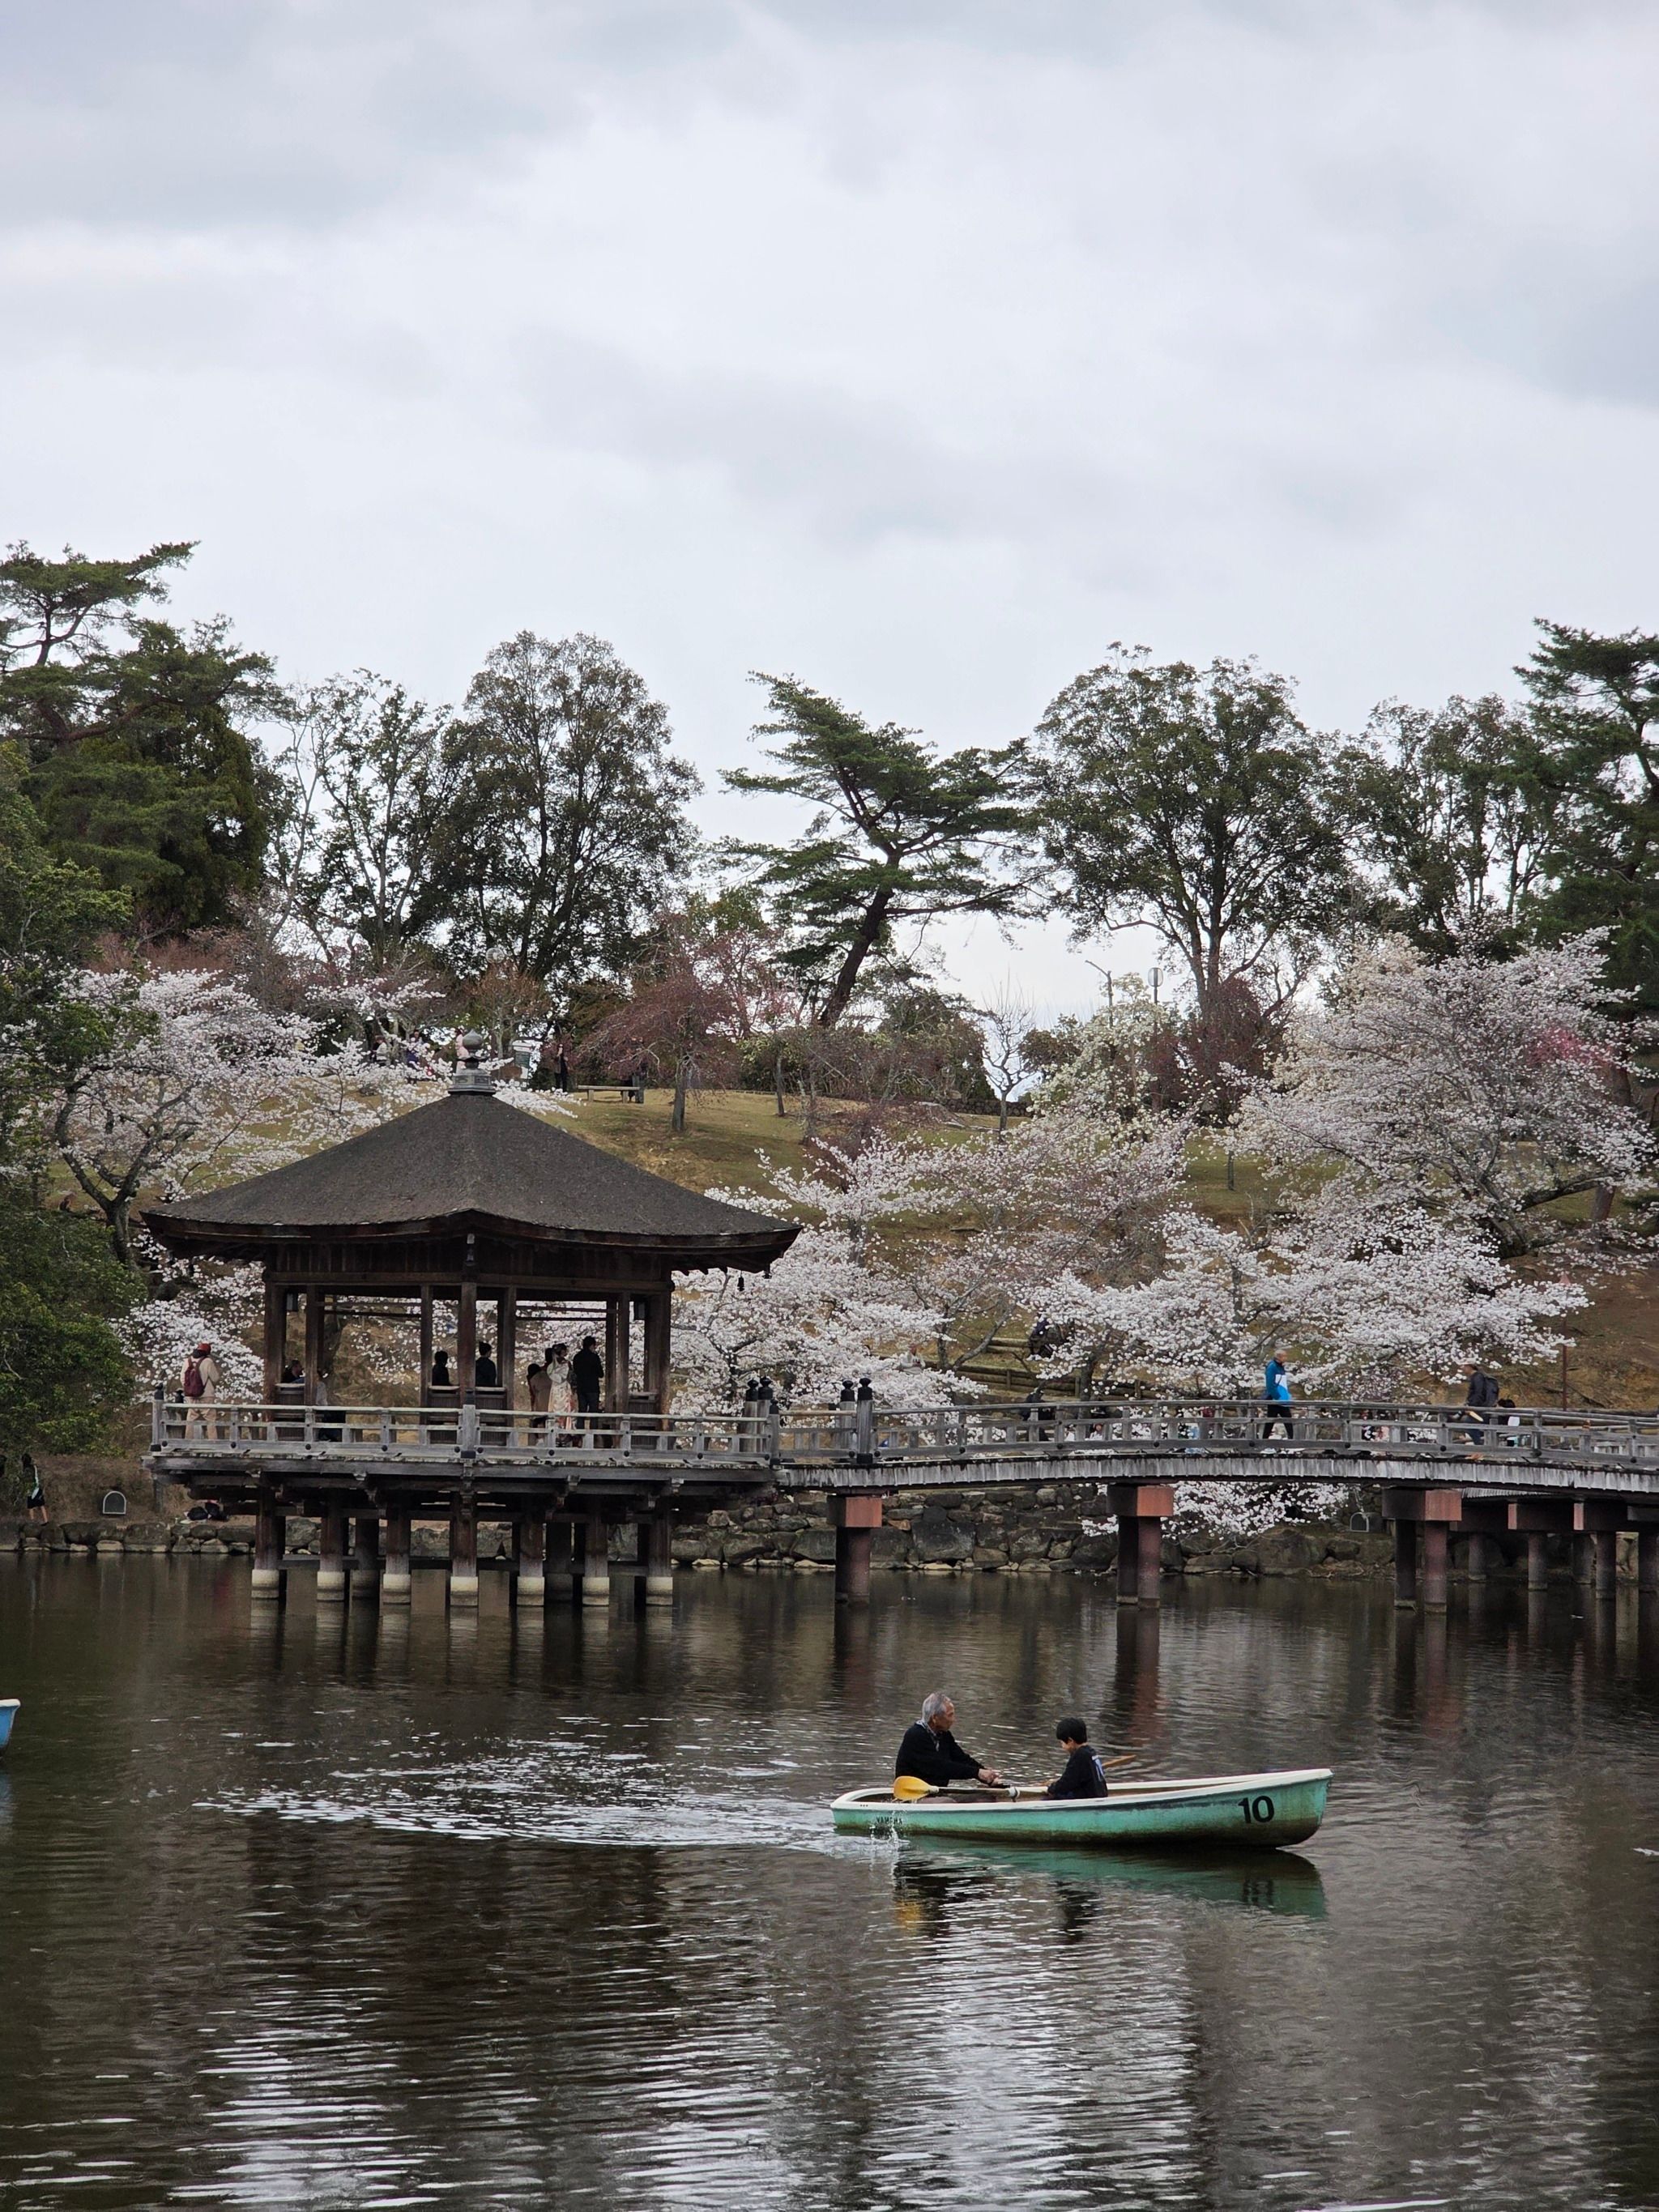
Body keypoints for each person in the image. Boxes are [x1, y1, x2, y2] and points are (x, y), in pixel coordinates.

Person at [894, 1691, 1002, 1790]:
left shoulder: (944, 1735)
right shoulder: (915, 1736)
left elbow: (962, 1759)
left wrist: (987, 1775)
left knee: (986, 1798)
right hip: (913, 1794)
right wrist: (976, 1773)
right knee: (948, 1801)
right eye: (950, 1715)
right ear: (935, 1718)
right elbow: (940, 1768)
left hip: (935, 1793)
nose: (953, 1720)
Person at [1044, 1717, 1109, 1799]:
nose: (1062, 1746)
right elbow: (1073, 1777)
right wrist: (1056, 1782)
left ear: (1070, 1741)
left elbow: (1066, 1783)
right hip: (1099, 1793)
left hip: (1089, 1798)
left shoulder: (1080, 1756)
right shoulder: (1091, 1752)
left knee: (1051, 1797)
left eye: (1062, 1743)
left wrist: (1051, 1788)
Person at [181, 1340, 222, 1440]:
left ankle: (188, 1441)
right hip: (206, 1394)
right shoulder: (208, 1361)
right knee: (210, 1419)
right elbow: (215, 1378)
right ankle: (213, 1442)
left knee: (191, 1419)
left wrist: (191, 1389)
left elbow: (182, 1379)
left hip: (191, 1395)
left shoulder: (187, 1361)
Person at [570, 1334, 604, 1418]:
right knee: (594, 1412)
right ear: (592, 1345)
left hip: (581, 1387)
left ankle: (580, 1426)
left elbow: (575, 1372)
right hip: (593, 1388)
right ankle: (593, 1427)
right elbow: (601, 1374)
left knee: (582, 1411)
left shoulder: (577, 1357)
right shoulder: (594, 1357)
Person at [1262, 1351, 1293, 1441]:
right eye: (1284, 1356)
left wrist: (1286, 1396)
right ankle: (1264, 1441)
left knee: (1288, 1421)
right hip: (1276, 1399)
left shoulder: (1280, 1367)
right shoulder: (1272, 1367)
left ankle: (1291, 1440)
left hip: (1282, 1398)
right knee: (1271, 1421)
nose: (1286, 1358)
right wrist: (1278, 1397)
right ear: (1279, 1357)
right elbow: (1270, 1385)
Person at [527, 1359, 551, 1438]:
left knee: (537, 1420)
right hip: (552, 1401)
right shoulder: (548, 1375)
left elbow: (533, 1392)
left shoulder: (533, 1379)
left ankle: (538, 1438)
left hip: (540, 1401)